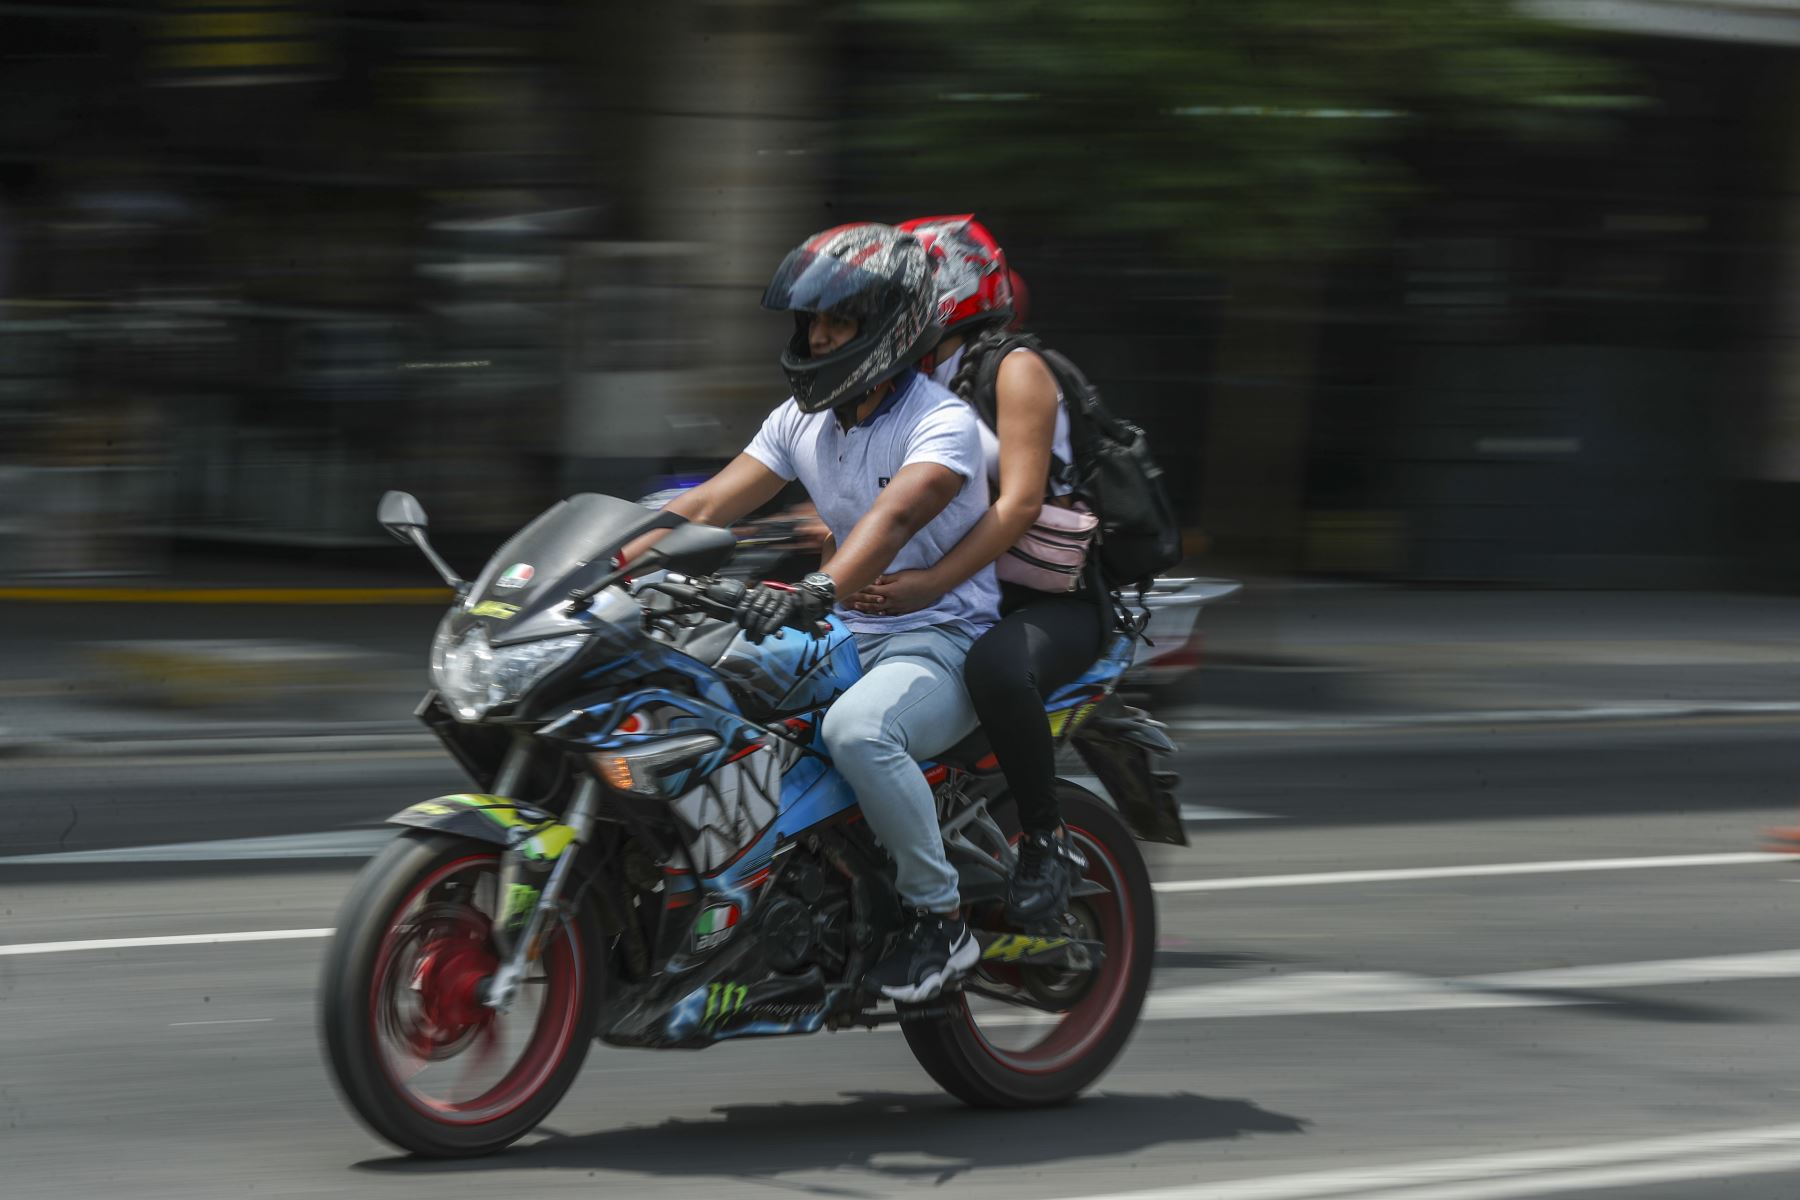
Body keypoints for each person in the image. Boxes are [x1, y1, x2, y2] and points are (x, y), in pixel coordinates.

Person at [642, 222, 1000, 1002]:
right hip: (841, 630)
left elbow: (895, 519)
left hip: (938, 640)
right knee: (691, 684)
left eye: (837, 322)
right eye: (812, 321)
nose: (817, 337)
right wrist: (606, 563)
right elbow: (709, 502)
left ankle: (940, 920)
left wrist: (819, 588)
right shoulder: (803, 418)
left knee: (858, 733)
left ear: (887, 329)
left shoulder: (944, 424)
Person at [849, 215, 1101, 926]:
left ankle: (1046, 842)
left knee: (994, 668)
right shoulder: (907, 378)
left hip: (1042, 597)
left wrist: (928, 585)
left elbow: (1019, 504)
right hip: (957, 589)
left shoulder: (1016, 370)